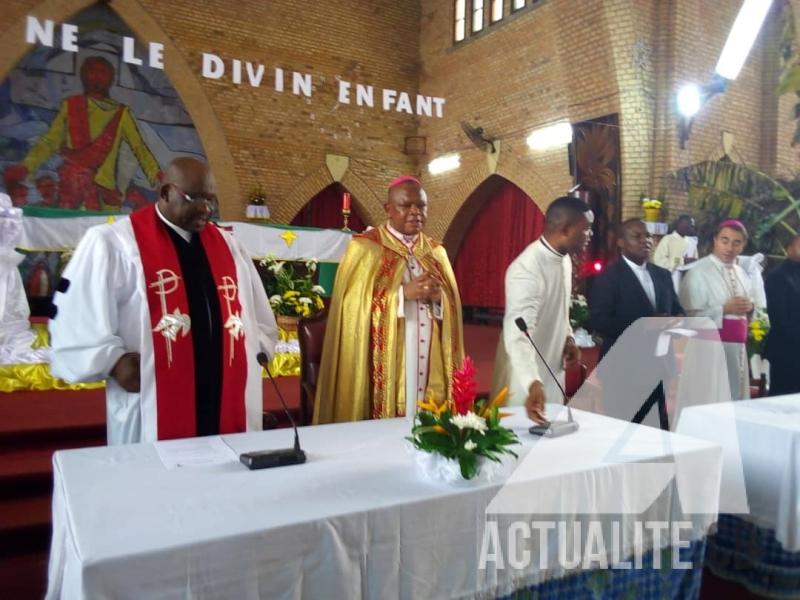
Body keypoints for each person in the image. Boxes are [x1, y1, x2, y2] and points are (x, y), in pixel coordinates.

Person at [50, 157, 278, 444]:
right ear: (166, 192)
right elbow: (76, 317)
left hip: (224, 393)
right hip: (154, 398)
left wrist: (255, 350)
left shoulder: (229, 247)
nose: (206, 209)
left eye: (211, 200)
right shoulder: (114, 244)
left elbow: (256, 318)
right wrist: (113, 360)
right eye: (195, 198)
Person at [313, 175, 464, 424]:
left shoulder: (436, 252)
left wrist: (440, 300)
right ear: (388, 209)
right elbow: (351, 306)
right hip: (385, 362)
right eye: (406, 206)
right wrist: (403, 295)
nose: (416, 212)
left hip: (430, 355)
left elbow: (453, 309)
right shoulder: (365, 248)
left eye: (421, 206)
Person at [7, 56, 160, 211]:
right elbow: (49, 142)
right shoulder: (71, 105)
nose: (96, 76)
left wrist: (157, 175)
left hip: (104, 194)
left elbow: (139, 147)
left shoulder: (121, 113)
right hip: (71, 189)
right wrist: (26, 166)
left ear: (110, 78)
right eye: (92, 71)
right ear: (83, 75)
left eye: (102, 72)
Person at [492, 196, 592, 424]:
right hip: (524, 376)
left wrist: (568, 339)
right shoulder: (527, 269)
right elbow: (517, 335)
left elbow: (561, 310)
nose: (590, 236)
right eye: (586, 230)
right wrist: (531, 382)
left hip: (552, 366)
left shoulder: (563, 260)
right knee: (520, 446)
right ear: (566, 229)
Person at [590, 219, 683, 429]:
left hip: (659, 366)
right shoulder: (609, 277)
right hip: (623, 369)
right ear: (621, 242)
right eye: (637, 236)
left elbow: (678, 309)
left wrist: (678, 322)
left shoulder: (663, 275)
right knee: (622, 431)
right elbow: (599, 320)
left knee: (655, 432)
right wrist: (643, 326)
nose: (645, 241)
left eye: (648, 236)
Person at [679, 220, 755, 400]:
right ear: (715, 240)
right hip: (708, 349)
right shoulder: (698, 272)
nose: (730, 247)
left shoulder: (742, 273)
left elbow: (749, 308)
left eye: (736, 242)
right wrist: (724, 309)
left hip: (737, 349)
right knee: (708, 400)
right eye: (725, 240)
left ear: (743, 246)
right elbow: (688, 317)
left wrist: (750, 308)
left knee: (734, 398)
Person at [764, 235, 800, 396]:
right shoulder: (777, 276)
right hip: (786, 349)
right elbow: (778, 316)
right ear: (788, 249)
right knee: (784, 396)